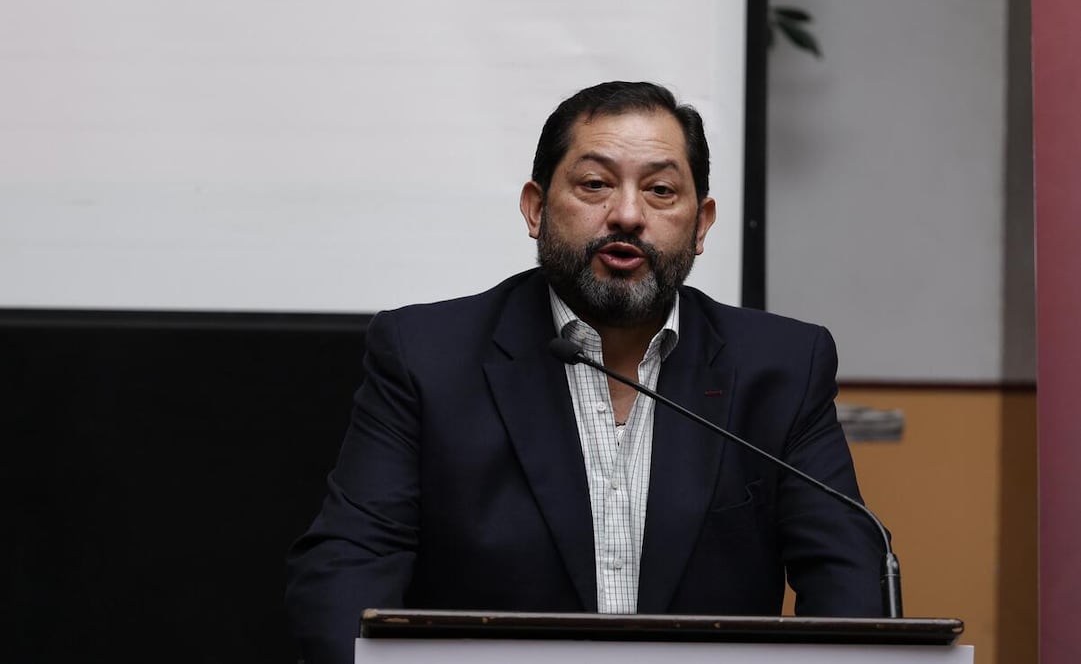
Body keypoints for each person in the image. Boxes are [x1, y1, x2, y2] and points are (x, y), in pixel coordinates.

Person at [285, 81, 886, 664]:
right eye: (595, 184)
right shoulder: (428, 356)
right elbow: (348, 565)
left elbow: (846, 570)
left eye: (660, 191)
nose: (626, 214)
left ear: (701, 224)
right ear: (536, 207)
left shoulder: (780, 366)